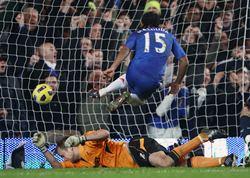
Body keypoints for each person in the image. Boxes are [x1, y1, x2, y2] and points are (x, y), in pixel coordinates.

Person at [89, 12, 189, 112]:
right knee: (141, 100)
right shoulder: (170, 37)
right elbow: (184, 62)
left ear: (142, 23)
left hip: (133, 73)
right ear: (158, 23)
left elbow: (125, 49)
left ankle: (103, 91)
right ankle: (129, 96)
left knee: (127, 77)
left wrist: (113, 67)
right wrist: (177, 83)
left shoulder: (137, 33)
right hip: (153, 80)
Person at [32, 128, 236, 168]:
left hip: (135, 147)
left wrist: (80, 137)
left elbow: (105, 133)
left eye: (62, 153)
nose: (63, 159)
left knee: (163, 162)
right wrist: (43, 150)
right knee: (178, 167)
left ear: (68, 146)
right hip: (137, 166)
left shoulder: (87, 143)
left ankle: (201, 137)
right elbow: (57, 170)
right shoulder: (74, 166)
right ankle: (224, 160)